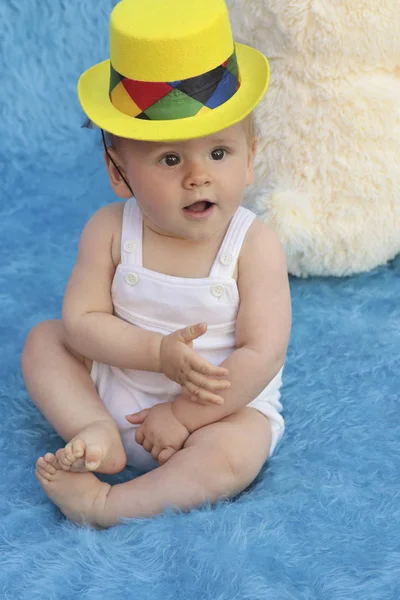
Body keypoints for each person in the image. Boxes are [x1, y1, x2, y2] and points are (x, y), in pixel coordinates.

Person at [21, 0, 291, 528]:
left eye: (219, 153)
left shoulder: (253, 245)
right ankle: (95, 429)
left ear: (251, 156)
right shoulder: (109, 230)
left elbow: (262, 354)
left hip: (216, 408)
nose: (198, 176)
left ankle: (108, 505)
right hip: (117, 382)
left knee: (237, 452)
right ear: (119, 173)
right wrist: (154, 354)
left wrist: (183, 414)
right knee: (44, 341)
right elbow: (82, 323)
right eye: (170, 159)